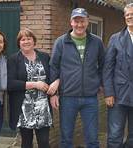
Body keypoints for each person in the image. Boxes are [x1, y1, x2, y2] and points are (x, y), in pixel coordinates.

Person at [49, 8, 105, 148]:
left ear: (87, 22)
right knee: (66, 138)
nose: (79, 25)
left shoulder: (96, 42)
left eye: (82, 21)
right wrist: (54, 93)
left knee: (92, 139)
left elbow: (103, 65)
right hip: (68, 97)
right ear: (71, 22)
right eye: (76, 21)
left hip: (90, 97)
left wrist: (98, 82)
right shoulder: (61, 42)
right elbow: (54, 66)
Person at [7, 28, 59, 148]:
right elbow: (10, 84)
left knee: (44, 142)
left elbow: (53, 76)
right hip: (24, 107)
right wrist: (35, 84)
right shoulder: (13, 59)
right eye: (23, 39)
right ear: (19, 43)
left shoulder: (45, 57)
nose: (26, 41)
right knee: (26, 143)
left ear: (34, 41)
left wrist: (54, 93)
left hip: (43, 106)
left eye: (29, 38)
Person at [103, 3, 133, 148]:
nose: (130, 16)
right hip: (118, 95)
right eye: (127, 14)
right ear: (124, 17)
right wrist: (108, 93)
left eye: (132, 14)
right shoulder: (115, 38)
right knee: (115, 136)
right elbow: (107, 68)